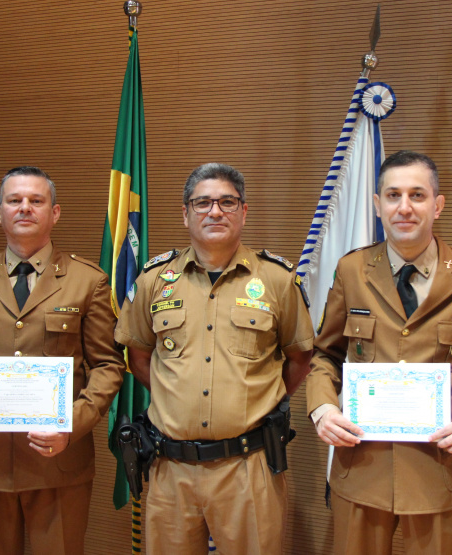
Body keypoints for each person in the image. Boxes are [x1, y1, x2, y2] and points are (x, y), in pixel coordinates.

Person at [305, 150, 452, 555]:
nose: (404, 207)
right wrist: (322, 408)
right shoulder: (351, 270)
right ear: (377, 205)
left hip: (441, 472)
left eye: (417, 195)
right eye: (393, 195)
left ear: (437, 205)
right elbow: (325, 355)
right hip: (362, 466)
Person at [0, 166, 126, 555]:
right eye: (15, 200)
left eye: (36, 200)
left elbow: (108, 365)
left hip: (59, 460)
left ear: (55, 212)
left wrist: (73, 423)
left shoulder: (88, 281)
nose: (25, 208)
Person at [114, 162, 314, 555]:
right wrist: (176, 397)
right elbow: (138, 355)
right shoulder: (155, 279)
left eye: (227, 202)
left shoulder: (277, 280)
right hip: (170, 466)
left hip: (249, 465)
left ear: (244, 211)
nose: (215, 211)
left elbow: (300, 359)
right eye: (202, 202)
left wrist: (255, 400)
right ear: (185, 213)